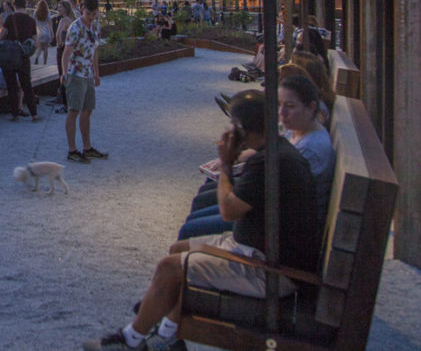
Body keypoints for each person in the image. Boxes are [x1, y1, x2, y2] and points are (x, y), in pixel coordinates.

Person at [83, 90, 320, 350]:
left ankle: (130, 340)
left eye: (234, 125)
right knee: (178, 250)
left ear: (244, 129)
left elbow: (228, 210)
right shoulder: (276, 151)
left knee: (169, 267)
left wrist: (227, 164)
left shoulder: (270, 163)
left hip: (269, 270)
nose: (229, 131)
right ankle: (167, 335)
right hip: (259, 251)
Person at [178, 74, 335, 240]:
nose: (282, 113)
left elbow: (283, 191)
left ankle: (194, 250)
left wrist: (228, 164)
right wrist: (239, 156)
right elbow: (268, 149)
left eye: (290, 106)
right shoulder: (297, 128)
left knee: (192, 225)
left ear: (311, 107)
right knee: (208, 188)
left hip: (275, 223)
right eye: (279, 105)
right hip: (268, 202)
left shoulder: (311, 149)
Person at [61, 0, 106, 162]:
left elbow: (94, 50)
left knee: (87, 110)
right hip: (75, 73)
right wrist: (65, 72)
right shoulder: (75, 28)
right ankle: (72, 150)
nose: (91, 17)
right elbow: (66, 52)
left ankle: (87, 147)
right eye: (88, 13)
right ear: (82, 9)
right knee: (73, 110)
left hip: (87, 74)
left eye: (94, 14)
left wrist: (96, 72)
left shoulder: (95, 25)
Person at [0, 0, 39, 122]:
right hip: (23, 55)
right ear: (25, 6)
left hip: (10, 55)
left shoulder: (10, 18)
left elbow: (2, 34)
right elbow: (35, 41)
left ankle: (15, 114)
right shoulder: (31, 20)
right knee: (27, 85)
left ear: (14, 6)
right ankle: (34, 114)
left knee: (12, 86)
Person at [33, 0, 53, 65]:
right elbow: (50, 24)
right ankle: (45, 62)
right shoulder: (47, 13)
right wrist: (52, 33)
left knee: (39, 48)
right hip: (46, 32)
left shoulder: (35, 12)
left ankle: (36, 57)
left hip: (39, 32)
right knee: (45, 48)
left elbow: (33, 22)